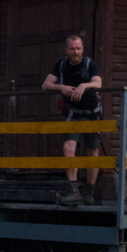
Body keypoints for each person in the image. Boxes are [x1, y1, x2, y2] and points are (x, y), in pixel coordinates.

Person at [41, 35, 103, 206]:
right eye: (72, 49)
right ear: (66, 50)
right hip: (73, 112)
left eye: (78, 48)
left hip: (92, 113)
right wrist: (60, 86)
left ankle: (89, 192)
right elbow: (45, 84)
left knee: (93, 151)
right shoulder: (61, 65)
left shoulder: (90, 64)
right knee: (68, 147)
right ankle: (74, 191)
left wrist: (84, 85)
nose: (76, 52)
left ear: (82, 49)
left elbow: (98, 83)